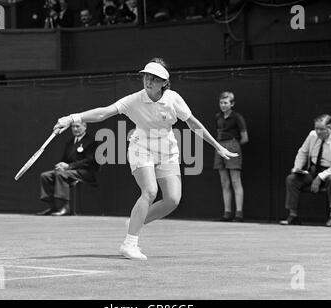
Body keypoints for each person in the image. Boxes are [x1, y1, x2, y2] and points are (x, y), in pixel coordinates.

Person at [53, 57, 238, 260]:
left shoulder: (174, 99)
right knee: (150, 191)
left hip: (167, 150)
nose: (148, 81)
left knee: (172, 200)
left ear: (164, 83)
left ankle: (135, 221)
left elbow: (194, 124)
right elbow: (103, 114)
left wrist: (218, 146)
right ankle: (129, 243)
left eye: (154, 78)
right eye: (146, 77)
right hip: (141, 147)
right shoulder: (134, 99)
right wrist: (72, 118)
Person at [280, 114, 331, 227]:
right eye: (316, 128)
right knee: (292, 179)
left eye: (322, 129)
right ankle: (293, 215)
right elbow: (303, 152)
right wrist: (297, 167)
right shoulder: (312, 135)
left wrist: (321, 176)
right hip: (314, 171)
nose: (318, 132)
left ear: (330, 127)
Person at [39, 122, 99, 216]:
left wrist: (69, 167)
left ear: (85, 127)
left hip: (86, 172)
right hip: (70, 171)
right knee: (45, 176)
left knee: (61, 174)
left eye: (77, 126)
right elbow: (65, 159)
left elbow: (90, 161)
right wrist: (61, 165)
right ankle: (53, 207)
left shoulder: (91, 141)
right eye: (73, 127)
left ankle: (65, 208)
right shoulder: (70, 142)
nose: (75, 129)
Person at [213, 91, 248, 222]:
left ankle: (239, 213)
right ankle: (227, 213)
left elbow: (245, 138)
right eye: (221, 102)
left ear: (232, 104)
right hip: (219, 147)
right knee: (224, 182)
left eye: (226, 103)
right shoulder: (218, 117)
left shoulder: (237, 117)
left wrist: (233, 147)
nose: (223, 105)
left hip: (233, 146)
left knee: (235, 180)